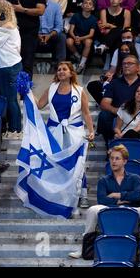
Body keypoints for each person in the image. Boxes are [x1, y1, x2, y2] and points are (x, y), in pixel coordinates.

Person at [68, 144, 140, 259]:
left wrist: (117, 195)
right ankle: (84, 248)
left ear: (125, 161)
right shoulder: (104, 180)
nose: (113, 161)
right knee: (93, 209)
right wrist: (121, 200)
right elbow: (102, 199)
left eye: (117, 158)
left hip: (132, 209)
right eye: (111, 158)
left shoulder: (134, 178)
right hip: (110, 208)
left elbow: (137, 196)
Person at [36, 61, 95, 207]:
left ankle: (83, 195)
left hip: (75, 131)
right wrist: (27, 92)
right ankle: (57, 195)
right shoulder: (51, 88)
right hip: (54, 131)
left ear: (71, 73)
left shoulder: (79, 90)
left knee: (77, 163)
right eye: (58, 69)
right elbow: (39, 105)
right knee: (54, 162)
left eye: (64, 69)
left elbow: (86, 113)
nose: (61, 71)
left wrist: (91, 130)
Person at [0, 0, 22, 139]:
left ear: (0, 11)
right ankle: (14, 129)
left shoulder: (7, 26)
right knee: (9, 99)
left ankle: (16, 130)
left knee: (11, 99)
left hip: (9, 66)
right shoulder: (8, 25)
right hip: (8, 65)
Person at [5, 0, 45, 77]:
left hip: (29, 34)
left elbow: (41, 11)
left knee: (27, 64)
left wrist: (22, 9)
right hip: (12, 34)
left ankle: (25, 92)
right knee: (11, 64)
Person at [66, 0, 97, 74]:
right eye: (85, 3)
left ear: (93, 8)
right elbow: (71, 31)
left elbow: (91, 34)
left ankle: (82, 63)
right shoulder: (76, 15)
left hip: (85, 37)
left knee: (89, 42)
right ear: (82, 5)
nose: (87, 5)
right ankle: (78, 56)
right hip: (75, 36)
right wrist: (75, 37)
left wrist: (80, 38)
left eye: (90, 4)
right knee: (69, 41)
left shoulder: (93, 19)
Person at [36, 0, 66, 65]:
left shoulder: (55, 6)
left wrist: (49, 35)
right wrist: (37, 34)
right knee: (25, 35)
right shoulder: (30, 5)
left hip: (51, 35)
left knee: (61, 37)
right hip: (35, 35)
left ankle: (60, 65)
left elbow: (59, 26)